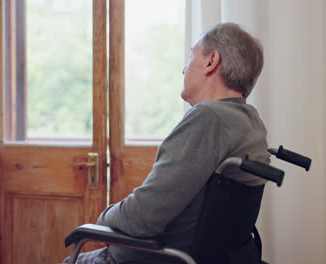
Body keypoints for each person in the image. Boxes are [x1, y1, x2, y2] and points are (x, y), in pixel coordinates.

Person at [64, 22, 268, 264]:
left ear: (212, 61)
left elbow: (143, 217)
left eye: (192, 56)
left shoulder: (208, 119)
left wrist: (104, 218)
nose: (184, 69)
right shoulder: (250, 122)